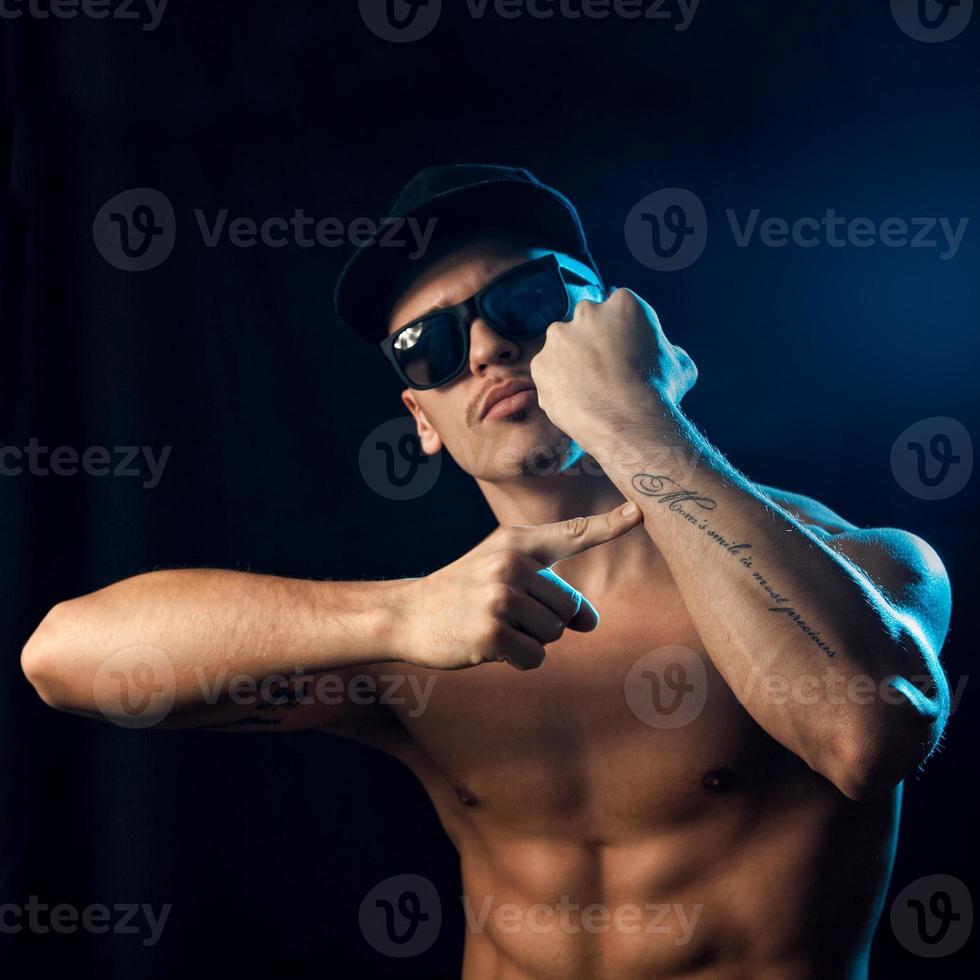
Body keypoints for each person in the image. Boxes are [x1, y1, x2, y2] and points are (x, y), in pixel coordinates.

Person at [22, 164, 952, 979]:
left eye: (526, 303)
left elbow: (864, 736)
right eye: (427, 347)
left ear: (617, 326)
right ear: (421, 418)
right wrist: (399, 617)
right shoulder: (433, 642)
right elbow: (62, 658)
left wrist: (640, 418)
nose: (483, 349)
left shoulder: (851, 562)